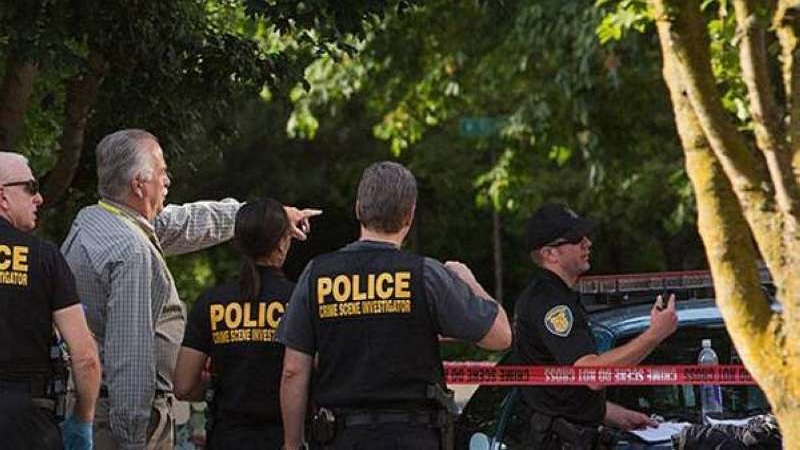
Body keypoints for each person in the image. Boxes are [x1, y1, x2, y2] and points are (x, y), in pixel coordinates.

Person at [60, 129, 320, 450]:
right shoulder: (131, 251)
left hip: (95, 409)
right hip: (125, 422)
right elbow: (131, 359)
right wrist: (133, 440)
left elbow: (188, 221)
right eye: (162, 172)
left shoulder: (96, 222)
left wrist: (266, 216)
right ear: (139, 184)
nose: (167, 180)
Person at [278, 161, 512, 450]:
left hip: (340, 437)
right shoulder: (425, 275)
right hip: (413, 437)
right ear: (409, 215)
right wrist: (469, 281)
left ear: (358, 209)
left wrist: (292, 444)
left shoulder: (317, 274)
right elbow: (501, 336)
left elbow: (293, 370)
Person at [513, 202, 678, 449]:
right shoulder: (550, 303)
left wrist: (617, 415)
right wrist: (655, 334)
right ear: (550, 254)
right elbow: (590, 374)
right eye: (576, 238)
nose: (587, 243)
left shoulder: (556, 295)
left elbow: (563, 392)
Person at [173, 198, 297, 449]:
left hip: (226, 437)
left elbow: (183, 386)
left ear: (238, 242)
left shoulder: (212, 302)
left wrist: (216, 385)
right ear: (282, 243)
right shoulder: (297, 300)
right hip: (283, 438)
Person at [0, 152, 101, 450]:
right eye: (31, 188)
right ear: (3, 197)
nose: (39, 198)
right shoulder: (44, 258)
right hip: (26, 423)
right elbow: (85, 357)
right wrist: (82, 421)